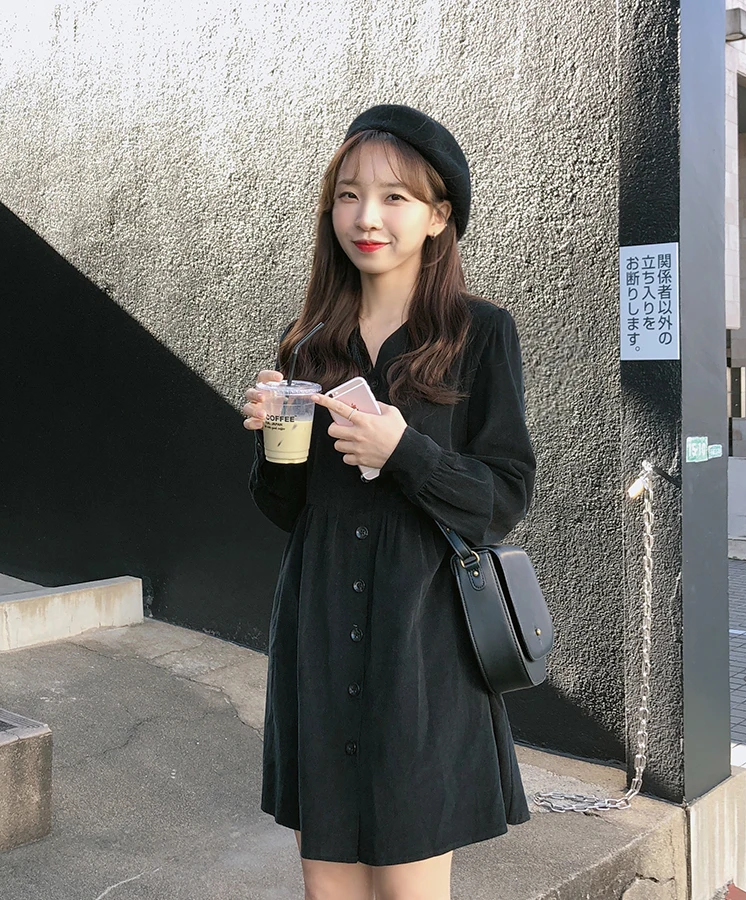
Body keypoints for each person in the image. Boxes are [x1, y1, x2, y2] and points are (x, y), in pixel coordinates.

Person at [242, 104, 537, 900]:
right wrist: (274, 441)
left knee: (408, 886)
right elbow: (287, 509)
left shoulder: (480, 334)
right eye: (348, 194)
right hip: (319, 633)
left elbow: (504, 496)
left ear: (439, 216)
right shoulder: (309, 342)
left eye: (394, 197)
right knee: (327, 885)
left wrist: (403, 452)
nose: (366, 217)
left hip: (421, 645)